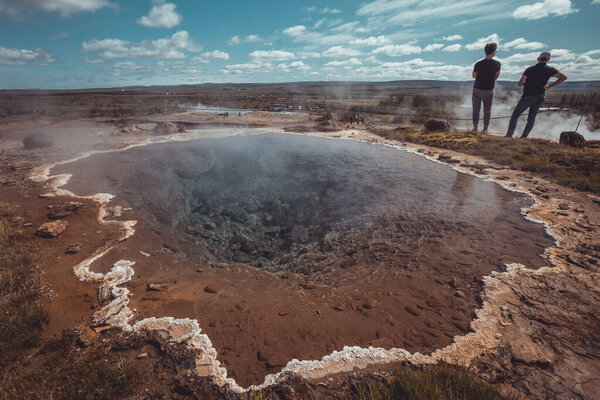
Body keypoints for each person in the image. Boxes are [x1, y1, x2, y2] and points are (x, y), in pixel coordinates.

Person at [506, 52, 567, 138]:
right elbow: (563, 77)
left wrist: (526, 84)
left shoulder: (530, 69)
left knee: (515, 115)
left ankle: (509, 135)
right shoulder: (550, 69)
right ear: (548, 60)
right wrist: (549, 86)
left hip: (528, 96)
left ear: (538, 59)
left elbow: (520, 83)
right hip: (540, 96)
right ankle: (524, 137)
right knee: (531, 118)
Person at [472, 42, 501, 134]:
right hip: (489, 90)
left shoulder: (478, 64)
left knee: (476, 109)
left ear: (485, 51)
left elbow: (474, 76)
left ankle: (475, 127)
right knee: (487, 110)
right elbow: (496, 76)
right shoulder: (497, 64)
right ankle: (485, 129)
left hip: (477, 89)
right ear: (494, 52)